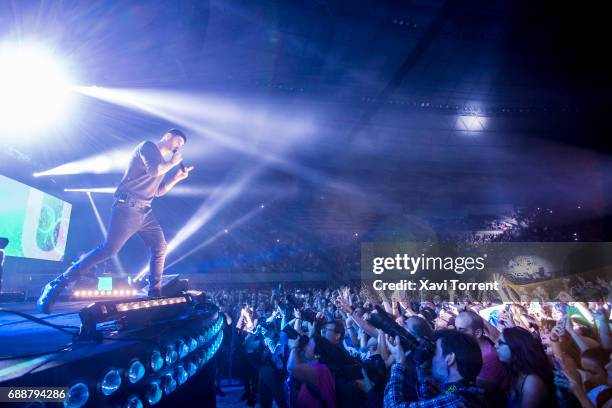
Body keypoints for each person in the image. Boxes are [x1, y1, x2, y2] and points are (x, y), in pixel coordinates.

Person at [37, 129, 194, 313]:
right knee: (109, 250)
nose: (179, 146)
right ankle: (57, 284)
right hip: (127, 207)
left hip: (145, 211)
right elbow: (154, 171)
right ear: (168, 136)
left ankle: (155, 293)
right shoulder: (148, 147)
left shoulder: (162, 163)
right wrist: (171, 164)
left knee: (160, 246)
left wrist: (175, 177)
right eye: (178, 141)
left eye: (182, 145)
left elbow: (158, 191)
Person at [384, 330, 487, 407]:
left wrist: (399, 363)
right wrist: (422, 368)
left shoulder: (458, 400)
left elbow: (392, 406)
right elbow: (427, 401)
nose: (432, 358)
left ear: (450, 359)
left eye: (436, 353)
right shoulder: (461, 389)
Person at [496, 326, 554, 408]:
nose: (495, 346)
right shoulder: (516, 372)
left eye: (500, 343)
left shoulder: (532, 383)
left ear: (516, 346)